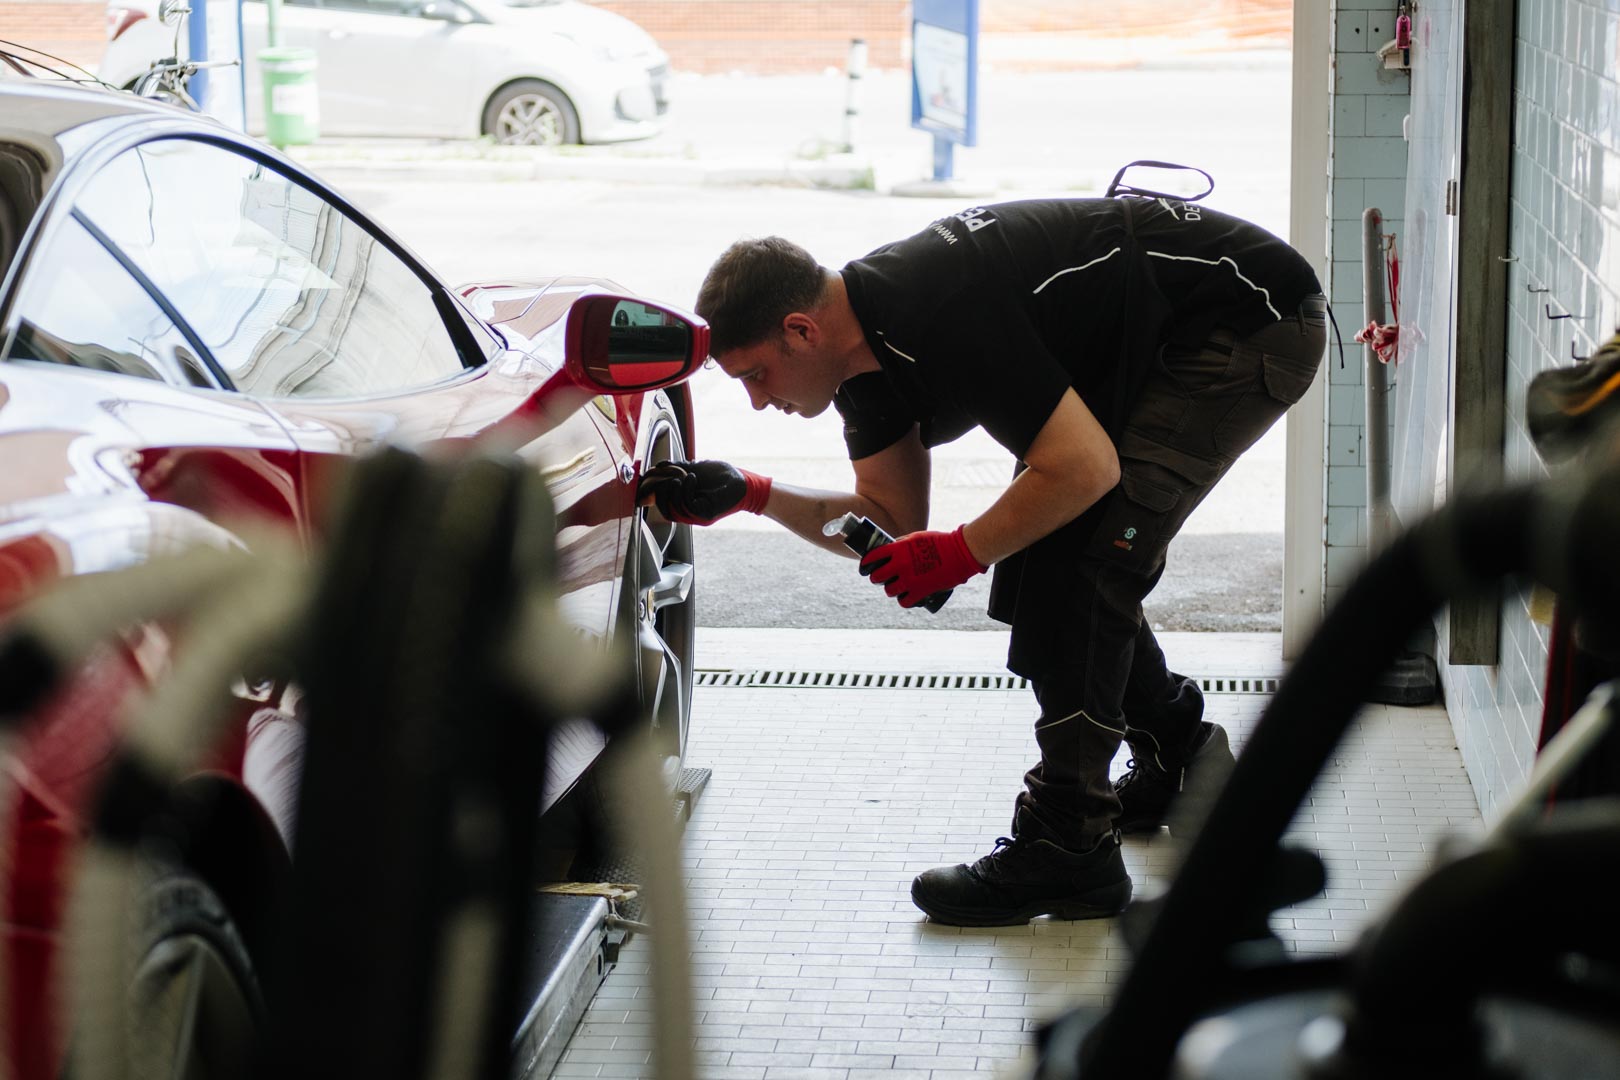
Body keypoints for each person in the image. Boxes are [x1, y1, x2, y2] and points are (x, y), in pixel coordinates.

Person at [640, 197, 1326, 927]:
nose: (754, 402)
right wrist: (753, 493)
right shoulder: (864, 366)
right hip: (1157, 331)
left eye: (755, 375)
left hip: (1249, 317)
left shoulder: (936, 306)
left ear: (800, 330)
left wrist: (961, 553)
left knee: (1084, 565)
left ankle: (1070, 844)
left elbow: (1083, 470)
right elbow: (893, 521)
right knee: (1042, 546)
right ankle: (1182, 755)